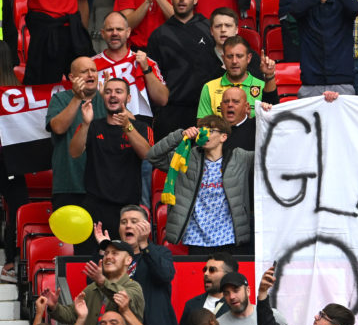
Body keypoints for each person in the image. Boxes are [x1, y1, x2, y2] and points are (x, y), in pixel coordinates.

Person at [147, 115, 254, 253]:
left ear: (223, 137)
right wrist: (180, 136)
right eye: (202, 129)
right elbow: (153, 156)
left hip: (230, 238)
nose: (204, 133)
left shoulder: (240, 157)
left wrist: (268, 116)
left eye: (210, 130)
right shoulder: (186, 156)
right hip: (196, 238)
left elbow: (268, 156)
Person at [69, 79, 153, 244]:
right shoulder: (92, 126)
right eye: (108, 92)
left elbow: (147, 154)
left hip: (127, 210)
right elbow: (74, 152)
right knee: (93, 263)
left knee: (125, 262)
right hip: (95, 207)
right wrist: (85, 124)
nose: (112, 95)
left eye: (118, 91)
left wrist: (127, 126)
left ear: (128, 98)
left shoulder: (141, 127)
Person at [147, 0, 225, 140]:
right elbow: (152, 77)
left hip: (206, 110)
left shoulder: (209, 29)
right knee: (170, 163)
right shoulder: (158, 35)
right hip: (171, 112)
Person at [47, 239, 146, 325]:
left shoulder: (134, 287)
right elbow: (71, 315)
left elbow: (122, 298)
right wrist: (54, 307)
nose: (108, 257)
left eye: (115, 253)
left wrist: (103, 282)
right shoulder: (93, 288)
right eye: (106, 253)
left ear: (128, 260)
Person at [288, 0, 358, 96]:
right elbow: (295, 10)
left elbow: (356, 8)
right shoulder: (305, 6)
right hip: (311, 83)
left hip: (342, 82)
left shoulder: (343, 4)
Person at [45, 57, 106, 210]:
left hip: (103, 186)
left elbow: (128, 125)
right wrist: (77, 98)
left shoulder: (106, 99)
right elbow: (58, 128)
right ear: (72, 77)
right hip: (69, 185)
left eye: (93, 70)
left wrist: (112, 100)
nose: (91, 75)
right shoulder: (59, 99)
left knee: (101, 234)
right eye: (84, 72)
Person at [93, 12, 169, 124]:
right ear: (102, 33)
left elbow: (162, 100)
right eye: (110, 30)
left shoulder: (145, 61)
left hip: (138, 127)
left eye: (119, 29)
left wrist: (146, 69)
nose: (114, 33)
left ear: (128, 32)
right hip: (101, 126)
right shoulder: (91, 64)